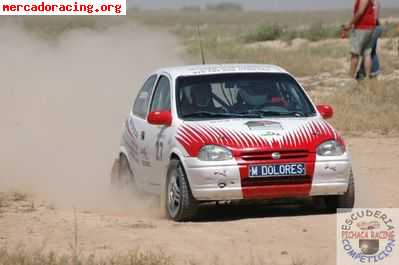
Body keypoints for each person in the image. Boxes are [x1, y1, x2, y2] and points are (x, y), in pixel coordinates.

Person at [343, 0, 377, 79]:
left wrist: (349, 24)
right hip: (369, 27)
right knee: (367, 53)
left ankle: (351, 77)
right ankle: (367, 77)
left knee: (355, 54)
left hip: (362, 28)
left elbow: (360, 12)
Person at [357, 0, 382, 80]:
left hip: (372, 28)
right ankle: (375, 72)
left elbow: (374, 17)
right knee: (371, 51)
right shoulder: (375, 2)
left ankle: (363, 73)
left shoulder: (374, 2)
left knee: (366, 52)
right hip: (375, 27)